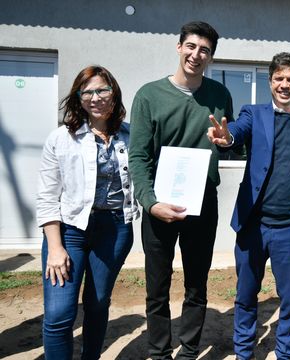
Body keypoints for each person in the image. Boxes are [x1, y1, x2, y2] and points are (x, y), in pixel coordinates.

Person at [129, 21, 233, 359]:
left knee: (196, 285)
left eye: (204, 50)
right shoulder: (149, 95)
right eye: (191, 46)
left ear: (211, 56)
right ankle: (159, 353)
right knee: (157, 287)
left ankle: (189, 351)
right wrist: (150, 203)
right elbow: (138, 157)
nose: (196, 54)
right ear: (179, 47)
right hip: (160, 204)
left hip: (202, 202)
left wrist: (229, 142)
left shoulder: (220, 95)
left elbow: (228, 144)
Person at [207, 52, 290, 360]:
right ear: (269, 81)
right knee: (245, 295)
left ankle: (285, 353)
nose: (285, 85)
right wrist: (227, 137)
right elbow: (237, 133)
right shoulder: (253, 114)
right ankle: (244, 353)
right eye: (279, 78)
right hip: (253, 225)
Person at [36, 65, 138, 359]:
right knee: (58, 314)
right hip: (69, 231)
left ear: (114, 93)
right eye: (87, 92)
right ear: (78, 98)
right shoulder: (61, 138)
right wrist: (55, 247)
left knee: (97, 303)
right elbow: (46, 196)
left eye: (102, 90)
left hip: (115, 230)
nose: (96, 97)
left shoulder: (131, 136)